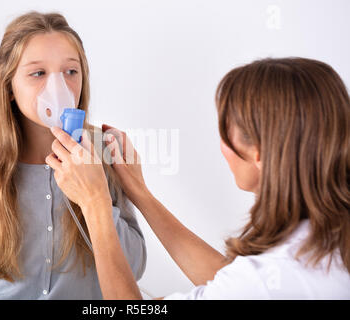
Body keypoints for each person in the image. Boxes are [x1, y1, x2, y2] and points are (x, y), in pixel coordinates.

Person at [46, 57, 350, 299]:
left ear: (258, 151)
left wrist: (95, 202)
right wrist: (140, 193)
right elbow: (230, 279)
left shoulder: (269, 278)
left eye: (225, 129)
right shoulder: (324, 239)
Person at [0, 11, 146, 299]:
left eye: (70, 71)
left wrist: (98, 200)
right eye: (38, 73)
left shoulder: (105, 157)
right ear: (8, 87)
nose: (58, 88)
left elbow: (135, 268)